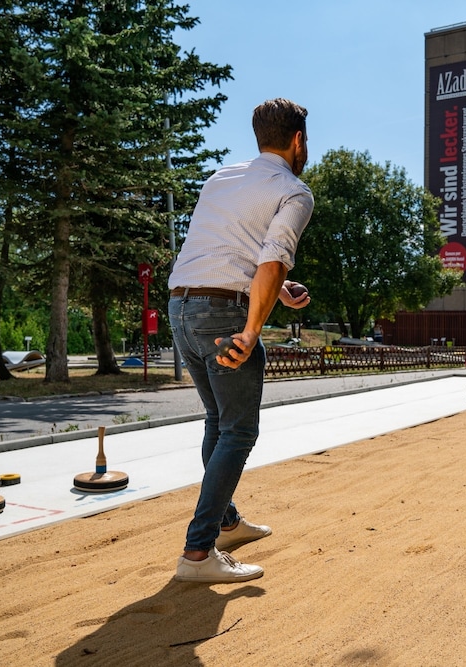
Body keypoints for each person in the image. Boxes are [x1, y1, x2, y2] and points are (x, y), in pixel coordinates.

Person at [167, 98, 314, 583]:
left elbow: (224, 250)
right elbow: (271, 260)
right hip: (223, 315)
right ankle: (197, 552)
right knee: (238, 432)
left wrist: (278, 290)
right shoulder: (294, 191)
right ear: (297, 141)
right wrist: (251, 331)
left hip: (181, 307)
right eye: (305, 141)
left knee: (218, 420)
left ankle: (226, 523)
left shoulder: (222, 178)